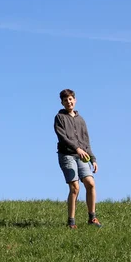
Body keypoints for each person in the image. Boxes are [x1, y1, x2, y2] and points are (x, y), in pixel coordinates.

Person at [53, 89, 102, 229]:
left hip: (82, 156)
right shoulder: (59, 118)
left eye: (71, 99)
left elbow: (86, 142)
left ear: (75, 100)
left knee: (90, 183)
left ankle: (92, 218)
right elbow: (63, 138)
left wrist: (93, 159)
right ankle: (71, 222)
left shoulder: (81, 120)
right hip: (67, 155)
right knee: (75, 187)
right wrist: (77, 149)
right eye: (65, 100)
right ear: (62, 102)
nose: (69, 102)